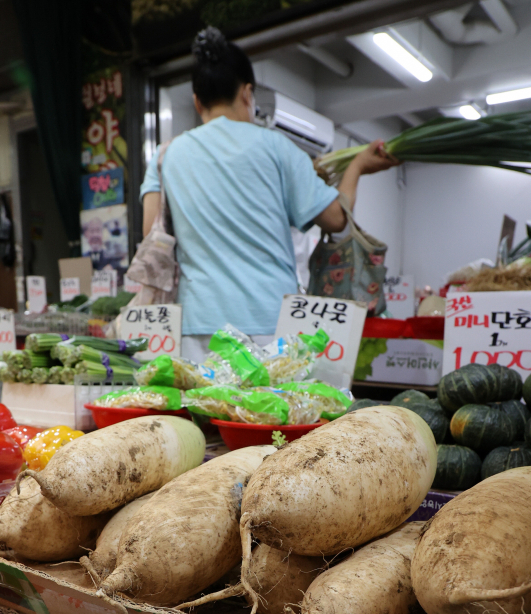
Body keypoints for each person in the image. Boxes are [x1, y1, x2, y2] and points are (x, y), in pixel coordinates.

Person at [141, 26, 397, 363]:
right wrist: (357, 167)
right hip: (270, 325)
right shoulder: (277, 147)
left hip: (198, 328)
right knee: (268, 414)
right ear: (247, 93)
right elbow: (337, 219)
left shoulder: (165, 156)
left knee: (204, 414)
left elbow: (150, 236)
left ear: (196, 100)